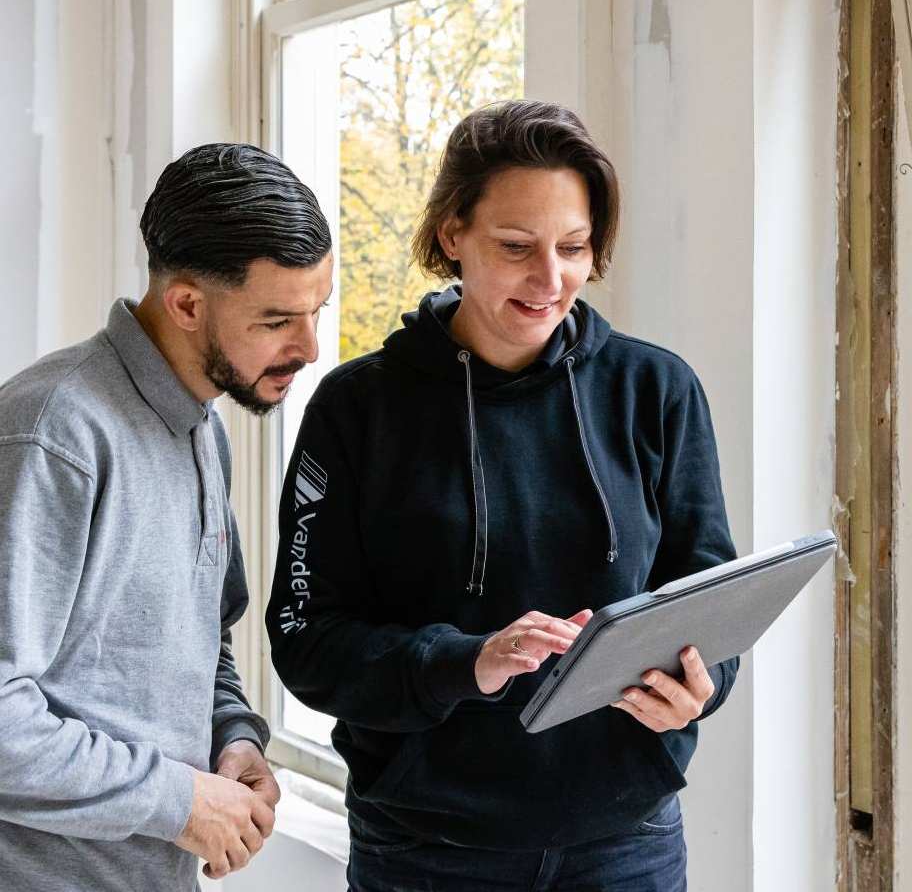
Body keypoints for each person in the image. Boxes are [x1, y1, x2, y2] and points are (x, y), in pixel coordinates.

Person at [267, 101, 737, 891]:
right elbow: (307, 640)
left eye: (575, 247)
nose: (549, 280)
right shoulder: (358, 409)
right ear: (453, 234)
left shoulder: (656, 390)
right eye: (516, 247)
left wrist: (701, 686)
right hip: (429, 848)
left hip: (627, 843)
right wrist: (465, 662)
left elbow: (710, 597)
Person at [0, 143, 333, 891]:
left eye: (317, 312)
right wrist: (179, 799)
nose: (309, 347)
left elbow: (195, 640)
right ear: (186, 303)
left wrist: (233, 736)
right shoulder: (55, 433)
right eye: (279, 319)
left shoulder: (203, 425)